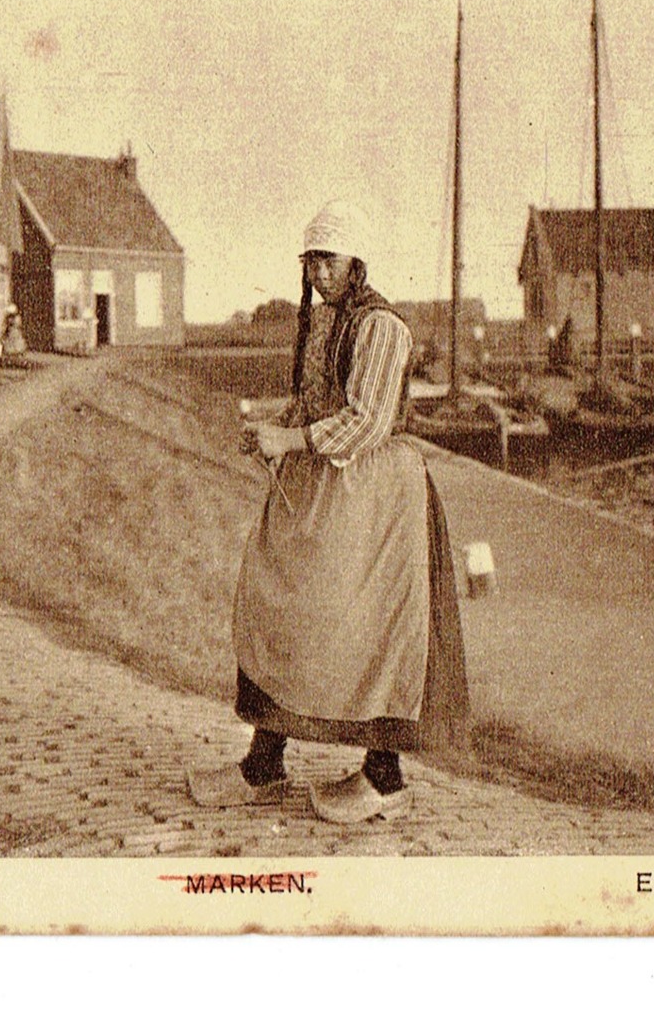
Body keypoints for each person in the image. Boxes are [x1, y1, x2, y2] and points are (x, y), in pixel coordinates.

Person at [187, 200, 471, 823]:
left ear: (356, 262)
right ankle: (264, 764)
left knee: (371, 628)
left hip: (375, 498)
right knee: (280, 612)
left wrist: (292, 440)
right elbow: (314, 401)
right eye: (311, 260)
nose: (318, 272)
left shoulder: (381, 327)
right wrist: (274, 428)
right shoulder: (321, 322)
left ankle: (384, 776)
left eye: (329, 259)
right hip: (320, 485)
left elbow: (368, 420)